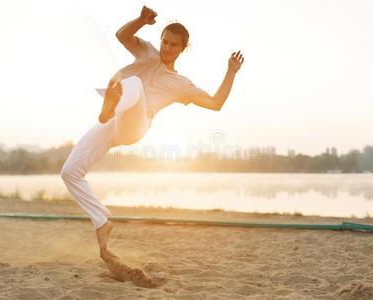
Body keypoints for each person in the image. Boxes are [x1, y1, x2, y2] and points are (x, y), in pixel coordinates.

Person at [61, 6, 244, 263]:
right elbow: (122, 36)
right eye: (165, 42)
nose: (167, 48)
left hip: (136, 124)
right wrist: (140, 20)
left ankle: (110, 104)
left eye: (173, 45)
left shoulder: (181, 84)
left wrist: (231, 72)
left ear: (182, 49)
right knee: (69, 172)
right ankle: (101, 221)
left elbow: (216, 103)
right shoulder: (147, 53)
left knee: (133, 84)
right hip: (113, 121)